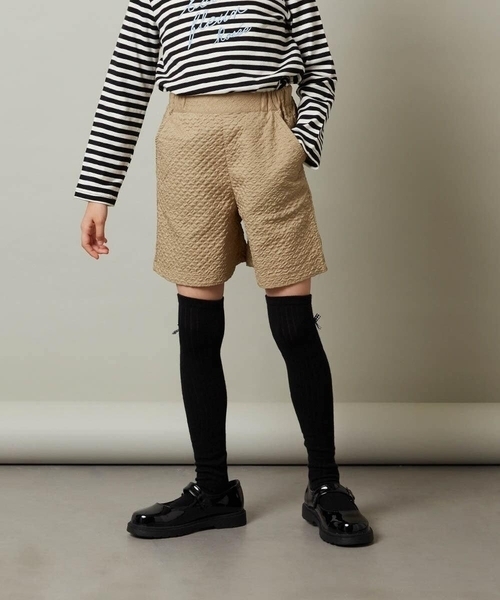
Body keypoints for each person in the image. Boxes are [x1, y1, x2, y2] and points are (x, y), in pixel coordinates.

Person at [75, 0, 374, 547]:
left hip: (268, 136)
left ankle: (325, 485)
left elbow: (320, 69)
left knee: (294, 326)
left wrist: (300, 141)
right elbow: (125, 86)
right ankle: (212, 490)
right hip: (188, 142)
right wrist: (99, 192)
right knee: (197, 328)